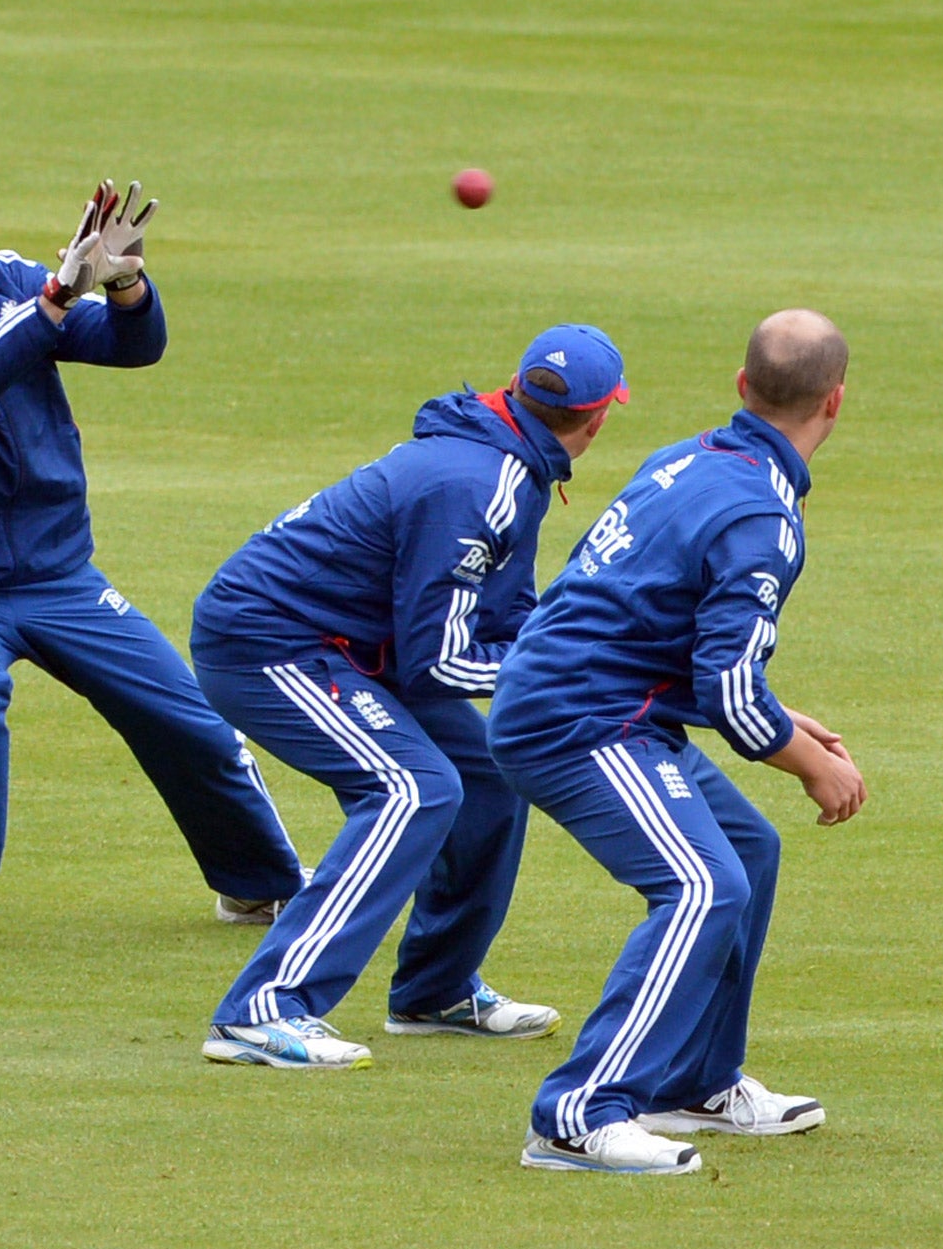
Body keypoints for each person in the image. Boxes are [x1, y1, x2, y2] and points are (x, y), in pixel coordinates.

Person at [0, 137, 303, 952]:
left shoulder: (8, 284)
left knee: (185, 717)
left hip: (55, 575)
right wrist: (49, 301)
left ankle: (259, 885)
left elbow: (130, 345)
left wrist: (126, 286)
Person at [490, 309, 866, 1175]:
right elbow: (731, 695)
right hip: (575, 717)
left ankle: (697, 1080)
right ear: (835, 402)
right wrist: (812, 766)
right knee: (703, 885)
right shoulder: (761, 519)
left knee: (746, 848)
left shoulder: (690, 455)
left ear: (743, 387)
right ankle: (578, 1115)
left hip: (594, 697)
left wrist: (783, 716)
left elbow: (651, 628)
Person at [192, 326, 626, 1069]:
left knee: (488, 778)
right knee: (411, 788)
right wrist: (562, 671)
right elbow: (442, 663)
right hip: (267, 644)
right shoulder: (477, 482)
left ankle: (436, 990)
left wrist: (575, 648)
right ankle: (263, 1009)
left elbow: (500, 615)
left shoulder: (512, 464)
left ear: (517, 386)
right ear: (598, 418)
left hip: (355, 645)